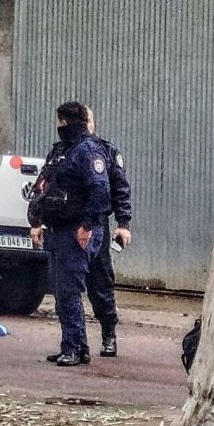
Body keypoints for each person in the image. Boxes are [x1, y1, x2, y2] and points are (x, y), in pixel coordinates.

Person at [28, 101, 111, 367]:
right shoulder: (60, 151)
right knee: (61, 291)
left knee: (69, 291)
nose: (58, 126)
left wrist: (86, 226)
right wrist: (35, 221)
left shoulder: (88, 150)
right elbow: (42, 186)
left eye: (61, 121)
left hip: (75, 232)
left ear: (67, 122)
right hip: (57, 230)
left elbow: (100, 190)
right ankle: (74, 346)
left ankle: (74, 348)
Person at [84, 107, 132, 357]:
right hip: (68, 226)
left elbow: (120, 189)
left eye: (89, 120)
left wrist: (123, 224)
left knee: (100, 283)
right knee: (66, 286)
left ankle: (108, 335)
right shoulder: (63, 151)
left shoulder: (106, 151)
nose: (86, 124)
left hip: (97, 225)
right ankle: (73, 343)